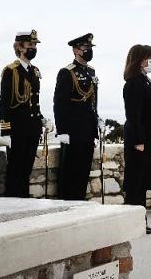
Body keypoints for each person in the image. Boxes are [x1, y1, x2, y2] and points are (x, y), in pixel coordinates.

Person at [0, 30, 53, 198]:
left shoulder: (35, 71)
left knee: (26, 169)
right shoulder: (11, 70)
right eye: (30, 45)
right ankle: (13, 202)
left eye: (35, 45)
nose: (33, 48)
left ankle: (23, 200)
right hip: (17, 129)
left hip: (32, 128)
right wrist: (5, 131)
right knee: (15, 169)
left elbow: (33, 101)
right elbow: (5, 102)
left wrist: (42, 119)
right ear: (20, 47)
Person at [53, 33, 104, 201]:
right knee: (70, 173)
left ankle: (80, 204)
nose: (88, 50)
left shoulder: (91, 71)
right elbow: (60, 103)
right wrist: (62, 131)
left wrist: (96, 125)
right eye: (85, 48)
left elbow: (92, 102)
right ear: (75, 50)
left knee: (83, 172)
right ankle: (67, 205)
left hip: (88, 131)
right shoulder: (67, 72)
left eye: (90, 47)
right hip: (73, 132)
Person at [122, 44, 151, 234]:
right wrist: (139, 140)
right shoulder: (134, 83)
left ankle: (140, 222)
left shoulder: (144, 80)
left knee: (142, 182)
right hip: (140, 140)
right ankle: (134, 223)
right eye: (149, 58)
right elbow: (134, 115)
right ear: (140, 60)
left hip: (150, 137)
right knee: (136, 184)